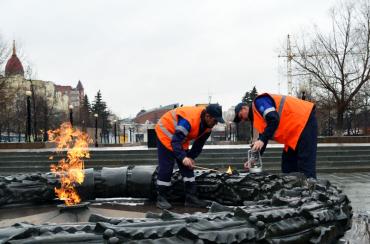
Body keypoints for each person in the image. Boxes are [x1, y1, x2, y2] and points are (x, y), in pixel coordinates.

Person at [155, 104, 225, 209]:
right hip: (165, 133)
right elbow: (175, 141)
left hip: (179, 139)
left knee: (188, 167)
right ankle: (161, 198)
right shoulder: (188, 121)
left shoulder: (208, 128)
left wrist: (191, 157)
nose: (215, 124)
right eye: (215, 121)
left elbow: (198, 145)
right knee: (167, 166)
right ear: (207, 116)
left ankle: (191, 198)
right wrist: (183, 158)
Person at [233, 93, 317, 178]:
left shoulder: (258, 102)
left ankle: (312, 188)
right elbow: (264, 137)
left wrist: (261, 140)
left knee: (306, 166)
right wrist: (253, 159)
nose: (242, 120)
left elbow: (274, 119)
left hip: (305, 121)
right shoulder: (259, 118)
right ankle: (296, 189)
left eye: (240, 116)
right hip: (294, 131)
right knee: (288, 165)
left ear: (244, 108)